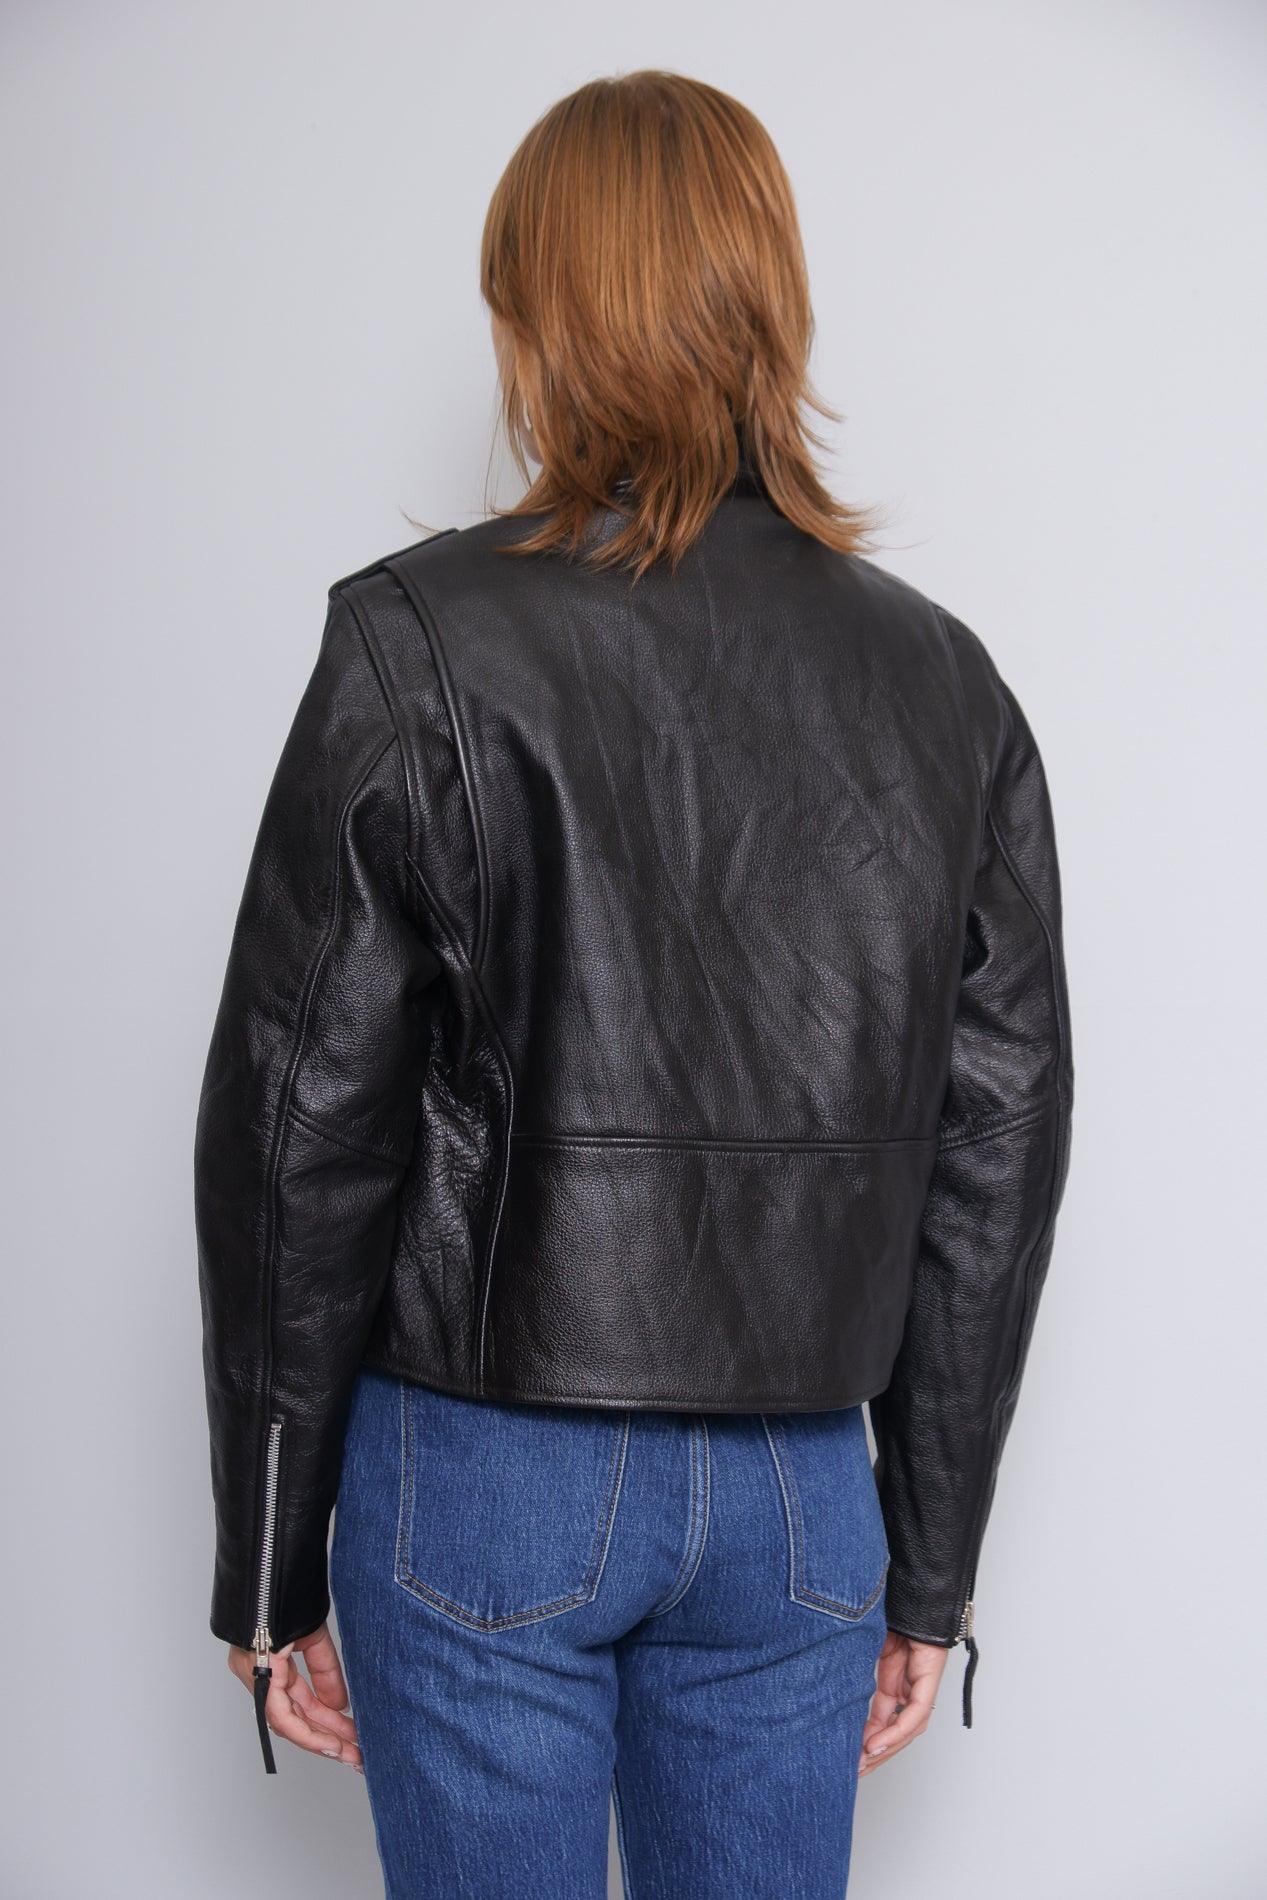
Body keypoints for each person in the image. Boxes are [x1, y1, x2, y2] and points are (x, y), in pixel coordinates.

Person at [194, 69, 1074, 1899]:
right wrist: (929, 1564)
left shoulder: (419, 642)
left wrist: (269, 1560)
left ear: (542, 319)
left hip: (484, 1472)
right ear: (771, 309)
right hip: (799, 1496)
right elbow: (997, 1144)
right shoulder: (946, 683)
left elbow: (301, 1125)